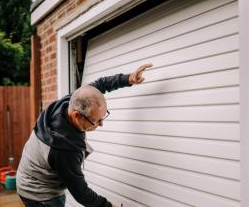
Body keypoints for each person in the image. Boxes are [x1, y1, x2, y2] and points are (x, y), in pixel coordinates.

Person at [16, 63, 153, 207]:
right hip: (38, 193)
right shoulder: (62, 148)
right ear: (76, 116)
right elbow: (81, 193)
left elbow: (101, 84)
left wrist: (128, 79)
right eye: (96, 121)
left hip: (32, 172)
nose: (101, 124)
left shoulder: (73, 101)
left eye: (103, 117)